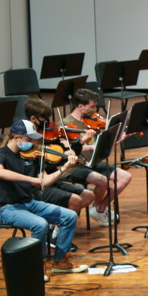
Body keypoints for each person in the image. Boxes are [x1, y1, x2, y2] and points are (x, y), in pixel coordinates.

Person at [0, 120, 88, 274]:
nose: (33, 143)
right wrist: (30, 179)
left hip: (30, 203)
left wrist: (64, 168)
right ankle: (37, 267)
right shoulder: (0, 155)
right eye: (29, 140)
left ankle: (60, 261)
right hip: (9, 208)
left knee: (69, 216)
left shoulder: (31, 157)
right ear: (17, 138)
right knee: (40, 224)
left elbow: (44, 182)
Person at [61, 89, 134, 221]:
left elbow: (105, 142)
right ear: (80, 106)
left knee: (125, 177)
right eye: (92, 106)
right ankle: (100, 210)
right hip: (75, 165)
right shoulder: (66, 124)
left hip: (92, 161)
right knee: (102, 181)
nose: (94, 110)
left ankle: (99, 208)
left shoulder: (91, 120)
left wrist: (121, 136)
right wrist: (89, 144)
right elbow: (66, 150)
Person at [21, 98, 98, 219]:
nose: (48, 122)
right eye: (44, 119)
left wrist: (80, 143)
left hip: (53, 178)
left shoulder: (50, 134)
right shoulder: (25, 138)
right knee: (75, 200)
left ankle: (55, 222)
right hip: (37, 184)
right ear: (33, 118)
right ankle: (56, 228)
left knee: (88, 196)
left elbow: (62, 154)